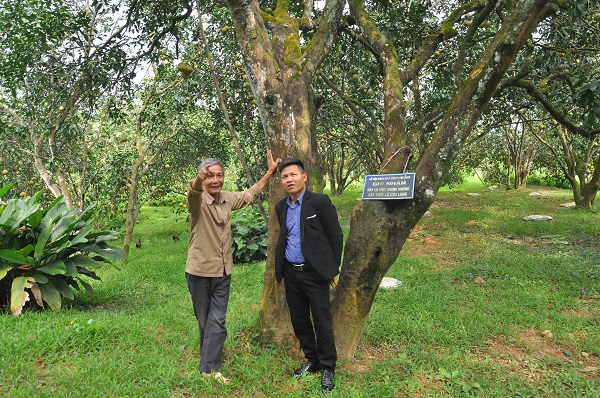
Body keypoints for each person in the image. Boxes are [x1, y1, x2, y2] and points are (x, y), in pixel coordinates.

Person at [185, 150, 280, 384]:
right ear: (203, 179)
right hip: (199, 272)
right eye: (210, 176)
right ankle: (208, 362)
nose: (215, 180)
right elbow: (193, 191)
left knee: (217, 320)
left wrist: (269, 172)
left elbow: (250, 195)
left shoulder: (227, 198)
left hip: (223, 271)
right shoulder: (198, 202)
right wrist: (199, 178)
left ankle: (209, 369)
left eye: (219, 175)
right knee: (205, 319)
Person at [274, 158, 344, 393]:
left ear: (304, 177)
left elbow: (335, 236)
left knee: (322, 320)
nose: (289, 180)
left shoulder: (320, 202)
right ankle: (312, 359)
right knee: (299, 319)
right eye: (284, 176)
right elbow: (287, 236)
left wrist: (330, 269)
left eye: (293, 175)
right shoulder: (281, 207)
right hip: (291, 271)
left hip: (315, 274)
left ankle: (328, 366)